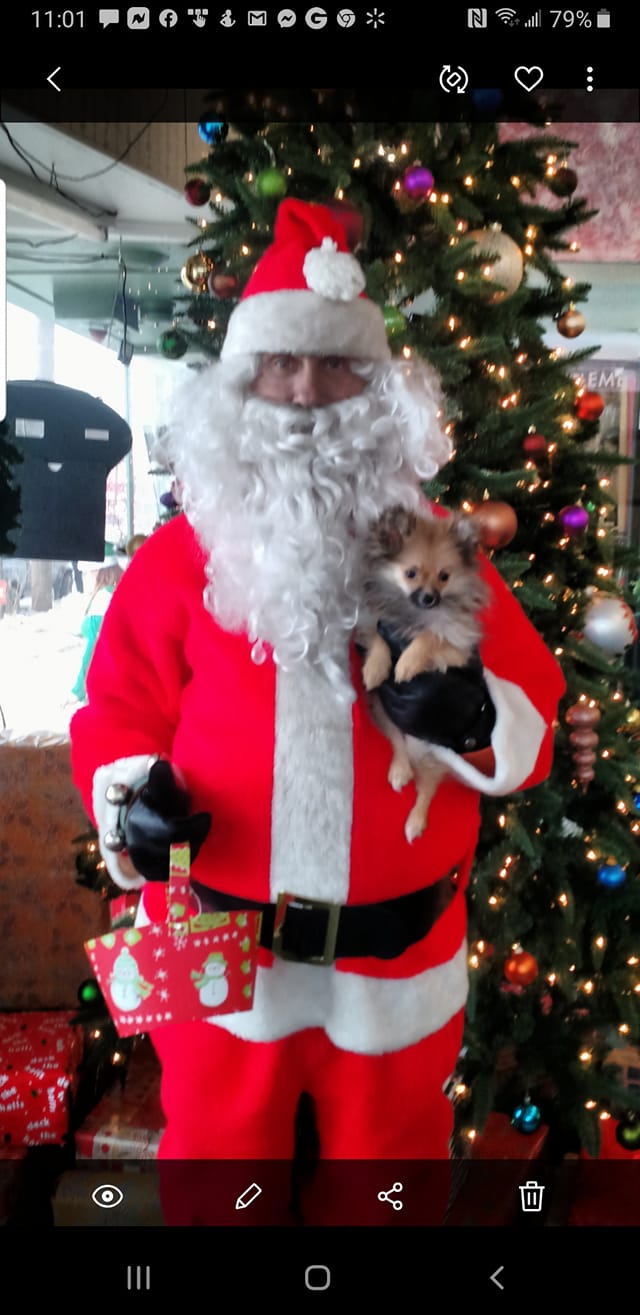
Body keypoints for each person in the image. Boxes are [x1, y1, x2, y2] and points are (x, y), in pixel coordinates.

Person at [70, 198, 565, 1226]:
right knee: (217, 1188)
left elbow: (532, 714)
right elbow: (117, 710)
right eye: (280, 364)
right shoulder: (180, 558)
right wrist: (131, 800)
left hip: (398, 962)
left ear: (379, 393)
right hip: (223, 956)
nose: (304, 394)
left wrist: (473, 716)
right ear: (238, 386)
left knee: (387, 1193)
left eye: (336, 366)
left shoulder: (439, 551)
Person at [69, 561, 124, 703]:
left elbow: (92, 652)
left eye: (86, 573)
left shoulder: (103, 600)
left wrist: (78, 691)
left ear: (97, 572)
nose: (84, 578)